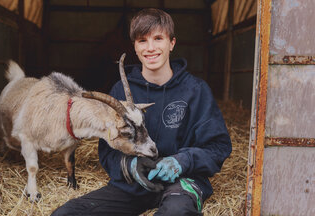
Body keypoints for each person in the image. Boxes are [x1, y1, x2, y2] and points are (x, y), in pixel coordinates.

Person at [52, 8, 232, 216]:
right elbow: (108, 151)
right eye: (142, 41)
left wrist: (182, 161)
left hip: (182, 182)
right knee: (66, 214)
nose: (151, 48)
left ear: (172, 43)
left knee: (175, 212)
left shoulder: (196, 90)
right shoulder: (120, 91)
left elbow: (219, 147)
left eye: (158, 39)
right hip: (133, 184)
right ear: (134, 47)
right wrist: (130, 166)